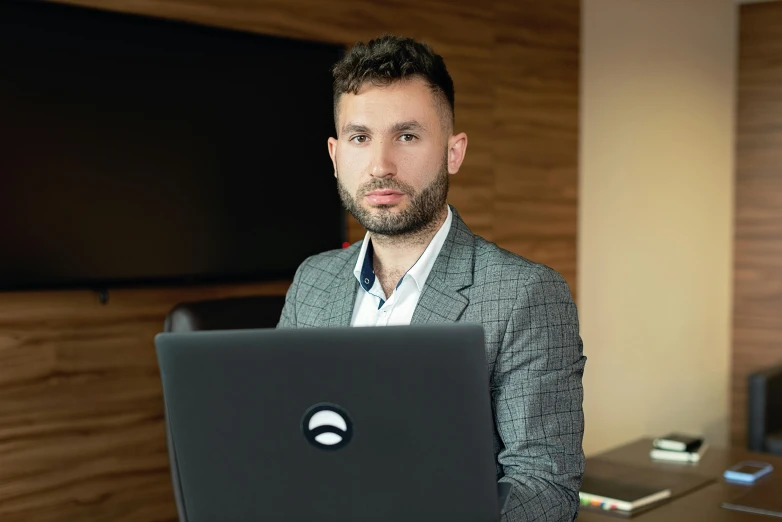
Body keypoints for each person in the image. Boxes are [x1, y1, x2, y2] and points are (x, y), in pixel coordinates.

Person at [277, 34, 586, 522]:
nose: (380, 165)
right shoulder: (312, 280)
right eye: (360, 137)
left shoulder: (525, 295)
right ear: (336, 156)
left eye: (407, 135)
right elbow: (285, 439)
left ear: (453, 152)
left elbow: (543, 487)